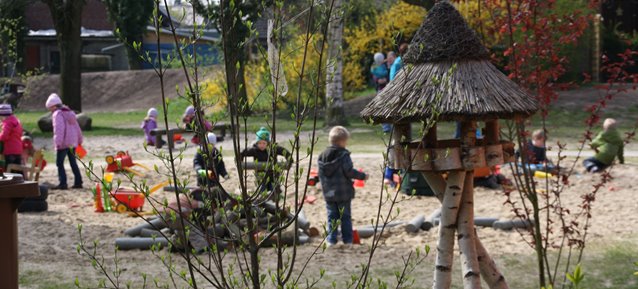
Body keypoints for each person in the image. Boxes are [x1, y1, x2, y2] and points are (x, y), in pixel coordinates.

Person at [318, 126, 367, 246]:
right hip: (343, 193)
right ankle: (348, 240)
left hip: (329, 192)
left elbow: (321, 174)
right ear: (341, 141)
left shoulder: (322, 156)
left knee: (332, 217)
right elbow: (349, 171)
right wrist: (362, 176)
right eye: (346, 141)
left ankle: (331, 240)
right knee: (345, 217)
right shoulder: (343, 155)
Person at [46, 93, 83, 190]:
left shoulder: (57, 114)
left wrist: (57, 143)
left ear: (54, 106)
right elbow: (77, 127)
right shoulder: (70, 113)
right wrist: (79, 139)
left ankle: (63, 183)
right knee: (73, 162)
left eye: (50, 108)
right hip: (73, 142)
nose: (50, 110)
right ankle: (78, 182)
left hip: (63, 143)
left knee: (60, 163)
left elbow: (59, 129)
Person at [241, 127, 291, 194]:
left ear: (268, 143)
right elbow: (242, 153)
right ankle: (263, 198)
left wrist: (289, 161)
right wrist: (240, 161)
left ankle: (276, 194)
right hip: (261, 174)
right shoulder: (254, 150)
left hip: (273, 173)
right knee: (262, 189)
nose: (261, 145)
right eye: (259, 143)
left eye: (264, 143)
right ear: (256, 143)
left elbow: (285, 152)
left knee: (274, 189)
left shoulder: (273, 149)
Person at [0, 104, 24, 170]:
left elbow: (4, 136)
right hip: (18, 149)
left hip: (10, 150)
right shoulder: (16, 121)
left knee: (9, 168)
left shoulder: (7, 123)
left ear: (3, 116)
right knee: (17, 169)